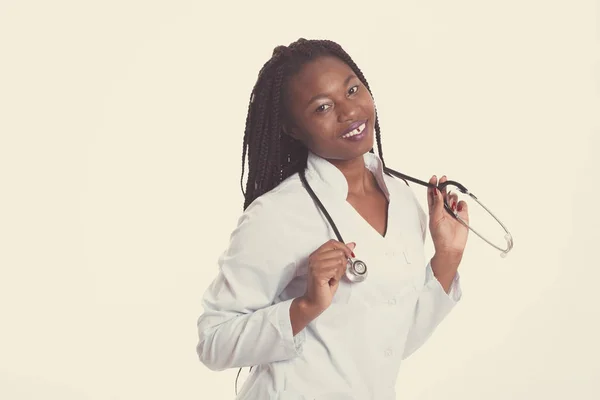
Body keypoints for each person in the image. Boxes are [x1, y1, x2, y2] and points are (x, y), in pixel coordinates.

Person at [195, 38, 469, 400]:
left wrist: (446, 259)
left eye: (352, 90)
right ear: (294, 129)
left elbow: (389, 343)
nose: (349, 111)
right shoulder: (278, 214)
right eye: (322, 107)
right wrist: (304, 307)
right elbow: (213, 341)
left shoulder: (403, 200)